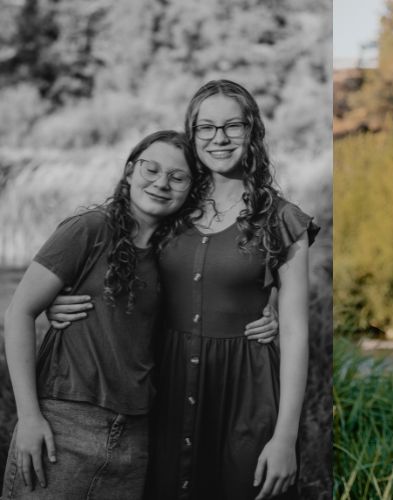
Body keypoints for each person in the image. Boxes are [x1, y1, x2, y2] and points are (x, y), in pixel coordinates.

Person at [47, 80, 318, 500]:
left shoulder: (282, 220)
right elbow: (116, 262)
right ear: (192, 134)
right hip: (165, 384)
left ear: (253, 132)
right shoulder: (172, 201)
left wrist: (285, 438)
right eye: (205, 127)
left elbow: (298, 332)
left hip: (247, 387)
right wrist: (59, 301)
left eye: (233, 126)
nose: (219, 138)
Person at [3, 130, 203, 498]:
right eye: (150, 169)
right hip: (63, 423)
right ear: (129, 171)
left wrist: (264, 318)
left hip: (135, 436)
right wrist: (29, 417)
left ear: (191, 188)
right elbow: (18, 313)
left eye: (177, 177)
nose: (161, 183)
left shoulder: (174, 254)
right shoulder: (90, 229)